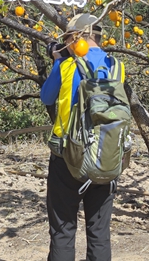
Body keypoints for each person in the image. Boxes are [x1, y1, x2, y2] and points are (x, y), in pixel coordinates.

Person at [40, 13, 117, 261]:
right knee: (99, 232)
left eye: (67, 39)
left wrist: (57, 60)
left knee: (63, 230)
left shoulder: (66, 66)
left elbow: (46, 98)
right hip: (105, 155)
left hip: (68, 157)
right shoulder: (117, 66)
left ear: (76, 37)